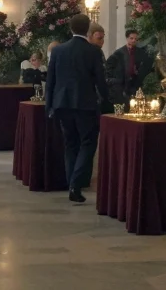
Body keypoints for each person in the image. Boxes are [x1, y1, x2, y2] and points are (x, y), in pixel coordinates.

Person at [45, 14, 110, 204]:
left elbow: (51, 81)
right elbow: (100, 81)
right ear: (87, 29)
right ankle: (75, 183)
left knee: (70, 143)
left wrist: (49, 105)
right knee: (88, 143)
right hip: (85, 104)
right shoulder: (93, 52)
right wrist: (106, 101)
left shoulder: (58, 51)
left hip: (62, 103)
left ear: (71, 29)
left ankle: (71, 182)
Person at [104, 29, 150, 105]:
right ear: (127, 38)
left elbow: (144, 66)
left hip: (135, 82)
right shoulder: (119, 52)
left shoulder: (140, 52)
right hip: (122, 83)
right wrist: (114, 79)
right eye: (131, 38)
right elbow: (109, 66)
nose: (134, 40)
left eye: (136, 39)